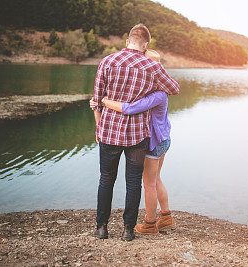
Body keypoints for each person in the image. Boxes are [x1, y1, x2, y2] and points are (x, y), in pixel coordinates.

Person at [91, 24, 179, 241]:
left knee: (106, 179)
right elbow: (174, 88)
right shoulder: (152, 67)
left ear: (127, 41)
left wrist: (98, 127)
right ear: (146, 45)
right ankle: (128, 230)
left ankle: (101, 228)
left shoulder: (107, 61)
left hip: (109, 131)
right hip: (138, 136)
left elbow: (97, 99)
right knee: (133, 182)